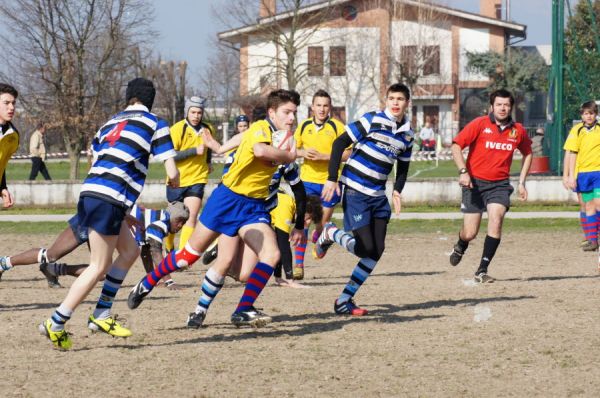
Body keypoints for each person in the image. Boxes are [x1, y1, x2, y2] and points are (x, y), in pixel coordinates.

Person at [128, 89, 303, 328]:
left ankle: (243, 309)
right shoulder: (262, 128)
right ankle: (148, 281)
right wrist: (289, 156)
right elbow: (260, 150)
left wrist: (219, 148)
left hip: (254, 207)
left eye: (294, 112)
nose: (292, 118)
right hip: (228, 199)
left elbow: (241, 143)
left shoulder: (281, 136)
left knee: (271, 255)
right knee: (188, 256)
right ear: (272, 112)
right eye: (287, 112)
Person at [38, 77, 179, 350]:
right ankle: (56, 321)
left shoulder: (110, 122)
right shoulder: (155, 123)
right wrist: (175, 183)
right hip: (109, 199)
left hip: (91, 193)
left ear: (129, 98)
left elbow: (98, 161)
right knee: (98, 266)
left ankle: (101, 314)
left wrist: (123, 213)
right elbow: (171, 171)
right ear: (151, 100)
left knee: (130, 252)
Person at [315, 83, 414, 316]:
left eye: (400, 99)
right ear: (386, 100)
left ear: (407, 102)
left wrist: (397, 191)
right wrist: (331, 179)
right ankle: (330, 233)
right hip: (355, 191)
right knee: (365, 248)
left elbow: (403, 167)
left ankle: (344, 300)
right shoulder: (372, 120)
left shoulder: (408, 134)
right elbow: (339, 143)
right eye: (392, 98)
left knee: (376, 251)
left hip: (378, 196)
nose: (396, 103)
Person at [448, 89, 532, 283]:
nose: (503, 108)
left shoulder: (517, 130)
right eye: (499, 104)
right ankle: (461, 243)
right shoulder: (479, 124)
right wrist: (463, 171)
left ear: (511, 107)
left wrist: (521, 182)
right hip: (474, 184)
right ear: (492, 106)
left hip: (499, 186)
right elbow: (455, 145)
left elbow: (528, 153)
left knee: (496, 219)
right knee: (470, 233)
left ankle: (482, 270)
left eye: (506, 105)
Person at [293, 89, 348, 279]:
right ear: (312, 107)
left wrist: (326, 157)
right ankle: (298, 265)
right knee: (305, 220)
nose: (322, 109)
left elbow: (348, 153)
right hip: (308, 181)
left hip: (329, 183)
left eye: (325, 105)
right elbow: (293, 148)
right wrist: (303, 153)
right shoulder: (303, 126)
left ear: (330, 107)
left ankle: (320, 239)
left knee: (321, 223)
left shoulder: (337, 127)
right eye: (318, 105)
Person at [165, 96, 214, 251]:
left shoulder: (208, 129)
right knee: (174, 218)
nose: (196, 116)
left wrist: (208, 162)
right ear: (187, 111)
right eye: (193, 112)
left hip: (198, 178)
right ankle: (169, 246)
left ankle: (181, 253)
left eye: (199, 112)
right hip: (177, 179)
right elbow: (170, 156)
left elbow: (209, 148)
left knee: (191, 217)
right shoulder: (177, 129)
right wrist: (194, 151)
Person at [563, 101, 600, 253]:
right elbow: (571, 153)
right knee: (586, 205)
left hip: (598, 173)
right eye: (585, 113)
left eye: (591, 113)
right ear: (582, 115)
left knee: (598, 204)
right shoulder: (577, 130)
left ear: (596, 114)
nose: (588, 116)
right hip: (582, 175)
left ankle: (594, 236)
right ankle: (591, 238)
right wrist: (569, 176)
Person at [0, 83, 19, 210]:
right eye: (6, 103)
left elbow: (2, 163)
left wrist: (2, 188)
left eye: (13, 103)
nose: (11, 107)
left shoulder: (13, 135)